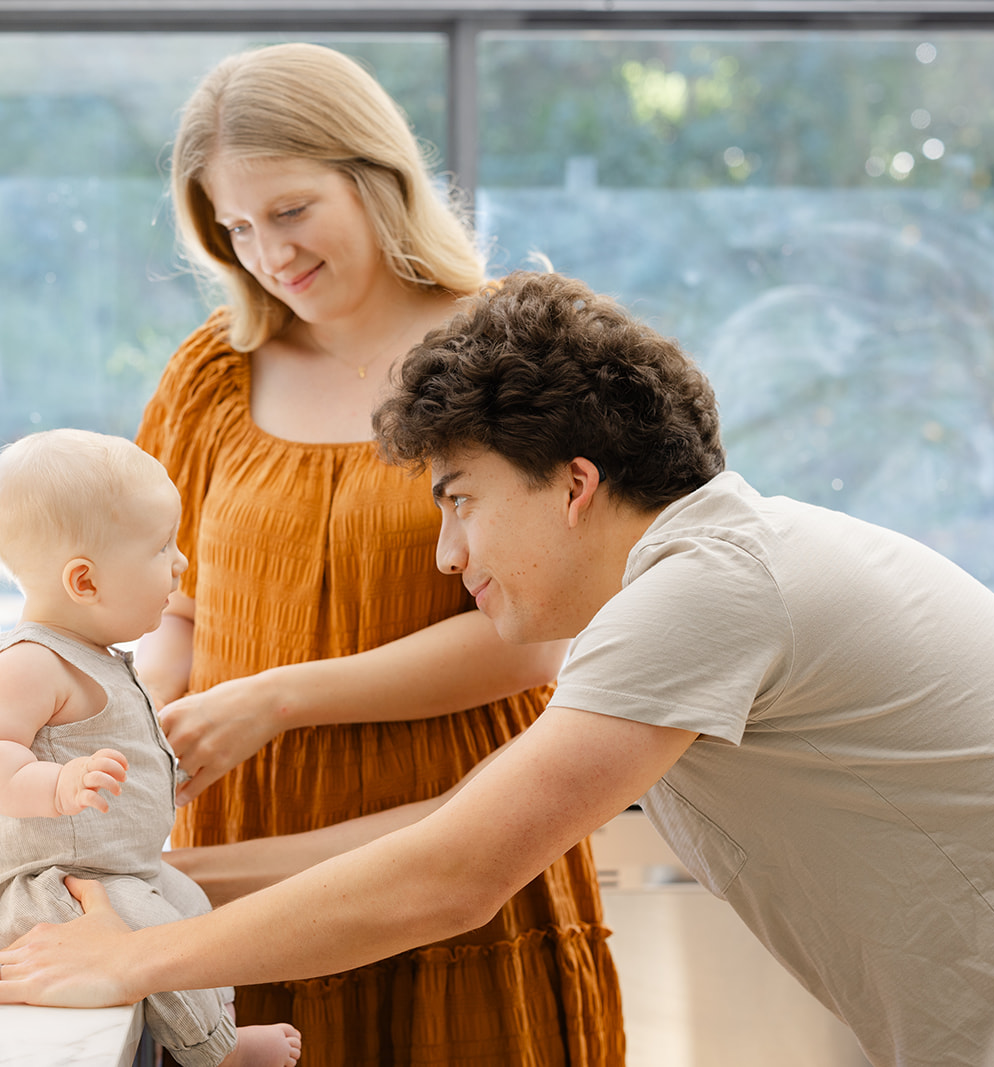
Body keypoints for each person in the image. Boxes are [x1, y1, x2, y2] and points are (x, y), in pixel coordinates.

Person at [0, 272, 994, 1067]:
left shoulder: (707, 594)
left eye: (458, 501)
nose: (449, 553)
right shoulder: (708, 570)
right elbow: (456, 816)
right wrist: (150, 875)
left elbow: (451, 874)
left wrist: (129, 954)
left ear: (575, 482)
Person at [129, 41, 625, 1064]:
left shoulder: (507, 350)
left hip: (456, 834)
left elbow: (531, 639)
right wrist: (141, 736)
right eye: (233, 226)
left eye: (291, 210)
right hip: (249, 850)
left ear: (375, 176)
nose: (267, 254)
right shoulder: (213, 372)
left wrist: (275, 697)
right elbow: (170, 606)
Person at [0, 428, 301, 1067]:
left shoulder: (93, 656)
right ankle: (218, 1050)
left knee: (192, 909)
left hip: (103, 873)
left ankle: (217, 1025)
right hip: (30, 892)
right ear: (85, 581)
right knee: (149, 930)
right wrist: (54, 784)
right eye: (162, 547)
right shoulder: (30, 663)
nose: (182, 563)